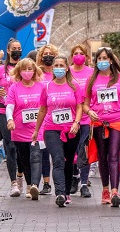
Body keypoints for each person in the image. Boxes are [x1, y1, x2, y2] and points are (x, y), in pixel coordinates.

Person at [85, 47, 120, 207]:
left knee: (114, 155)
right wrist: (89, 112)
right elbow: (86, 104)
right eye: (99, 58)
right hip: (98, 123)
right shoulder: (91, 80)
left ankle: (115, 191)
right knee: (103, 157)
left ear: (110, 60)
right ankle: (105, 189)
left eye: (105, 58)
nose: (102, 61)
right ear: (96, 62)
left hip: (118, 121)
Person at [33, 56, 83, 207]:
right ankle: (60, 193)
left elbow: (80, 106)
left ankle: (67, 191)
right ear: (53, 68)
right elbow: (42, 109)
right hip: (51, 129)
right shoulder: (47, 87)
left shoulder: (74, 86)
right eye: (56, 65)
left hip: (71, 130)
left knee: (68, 162)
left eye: (62, 65)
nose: (59, 68)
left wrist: (77, 122)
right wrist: (36, 130)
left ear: (67, 68)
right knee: (58, 160)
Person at [6, 58, 45, 200]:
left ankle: (34, 185)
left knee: (35, 156)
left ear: (35, 71)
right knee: (24, 159)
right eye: (24, 69)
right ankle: (29, 184)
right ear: (19, 71)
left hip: (37, 129)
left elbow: (46, 107)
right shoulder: (14, 88)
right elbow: (9, 106)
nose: (27, 72)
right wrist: (10, 119)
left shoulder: (41, 87)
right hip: (19, 130)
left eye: (30, 69)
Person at [0, 38, 23, 196]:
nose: (17, 50)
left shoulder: (25, 67)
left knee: (22, 147)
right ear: (8, 51)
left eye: (19, 48)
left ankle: (21, 174)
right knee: (10, 147)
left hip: (22, 112)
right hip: (4, 111)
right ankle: (13, 183)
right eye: (14, 48)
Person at [69, 44, 93, 198]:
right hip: (69, 118)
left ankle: (84, 183)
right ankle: (74, 177)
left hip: (86, 118)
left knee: (84, 150)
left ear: (86, 56)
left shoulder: (91, 72)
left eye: (81, 53)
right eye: (75, 53)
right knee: (71, 151)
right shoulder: (67, 72)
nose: (78, 55)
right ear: (71, 56)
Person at [36, 44, 59, 195]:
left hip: (58, 117)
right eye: (45, 54)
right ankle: (46, 183)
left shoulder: (59, 74)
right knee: (43, 152)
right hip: (42, 117)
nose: (48, 56)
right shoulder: (37, 75)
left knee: (57, 153)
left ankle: (61, 182)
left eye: (51, 54)